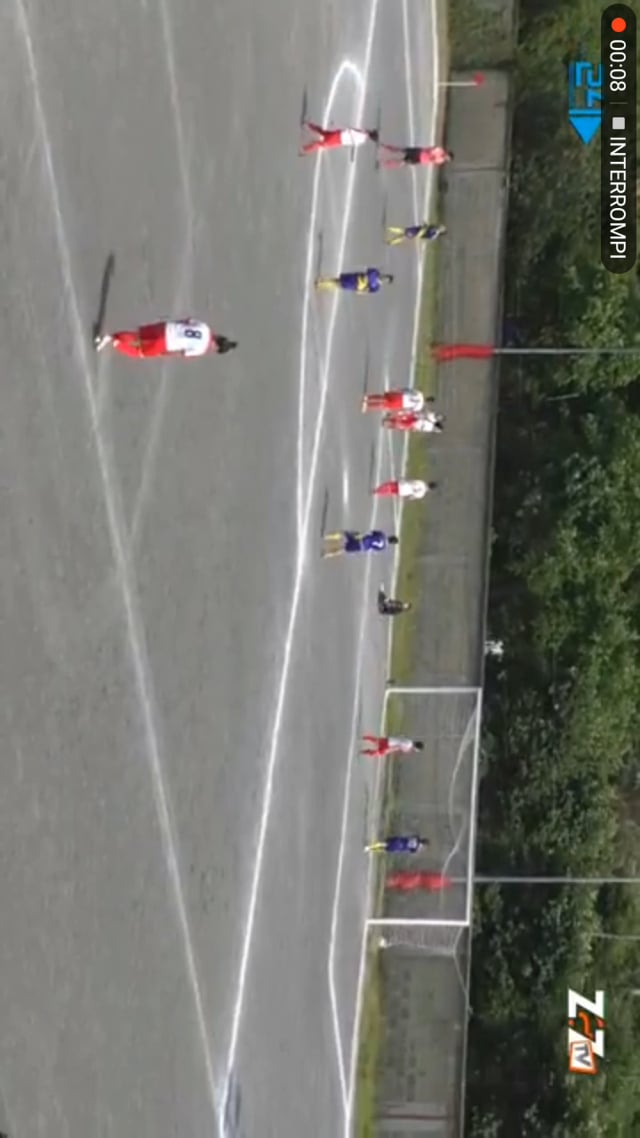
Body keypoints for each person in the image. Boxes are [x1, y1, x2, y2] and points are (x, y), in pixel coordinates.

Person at [95, 319, 237, 359]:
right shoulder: (201, 349)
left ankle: (112, 336)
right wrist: (164, 353)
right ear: (216, 347)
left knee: (137, 336)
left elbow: (186, 321)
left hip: (167, 327)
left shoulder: (205, 327)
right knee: (140, 352)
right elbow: (181, 352)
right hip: (167, 343)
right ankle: (115, 342)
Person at [300, 121, 379, 155]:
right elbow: (352, 139)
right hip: (339, 139)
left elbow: (352, 131)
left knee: (323, 133)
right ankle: (304, 149)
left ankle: (308, 125)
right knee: (322, 144)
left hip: (339, 134)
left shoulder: (363, 133)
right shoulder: (362, 139)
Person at [322, 530, 399, 558]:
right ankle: (327, 554)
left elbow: (370, 532)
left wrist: (359, 534)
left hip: (362, 539)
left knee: (343, 533)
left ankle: (327, 537)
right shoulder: (383, 547)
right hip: (362, 547)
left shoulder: (382, 534)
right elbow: (372, 550)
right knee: (343, 549)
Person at [315, 268, 394, 294]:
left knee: (339, 284)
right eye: (386, 277)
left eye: (386, 280)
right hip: (355, 277)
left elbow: (367, 291)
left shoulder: (376, 287)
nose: (384, 279)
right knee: (338, 280)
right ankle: (323, 282)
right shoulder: (376, 273)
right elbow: (368, 270)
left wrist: (360, 292)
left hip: (356, 285)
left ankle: (321, 284)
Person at [378, 143, 453, 169]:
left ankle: (384, 163)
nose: (446, 158)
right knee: (401, 150)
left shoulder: (441, 160)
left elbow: (433, 160)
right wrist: (434, 155)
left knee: (402, 162)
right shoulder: (440, 150)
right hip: (419, 152)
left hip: (420, 160)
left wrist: (436, 157)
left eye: (447, 159)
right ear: (447, 153)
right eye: (447, 156)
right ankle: (385, 147)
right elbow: (431, 151)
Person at [362, 388, 430, 413]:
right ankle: (367, 405)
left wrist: (398, 390)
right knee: (384, 405)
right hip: (402, 404)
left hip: (401, 396)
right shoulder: (419, 407)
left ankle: (368, 397)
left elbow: (408, 390)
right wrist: (400, 411)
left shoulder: (419, 393)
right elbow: (409, 410)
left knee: (383, 397)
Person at [360, 735, 424, 758]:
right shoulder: (408, 745)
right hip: (389, 745)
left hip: (390, 740)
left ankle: (364, 738)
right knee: (377, 753)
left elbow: (401, 737)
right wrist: (389, 750)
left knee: (376, 740)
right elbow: (397, 747)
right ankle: (365, 751)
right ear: (416, 747)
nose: (415, 751)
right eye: (416, 750)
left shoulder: (409, 741)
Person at [373, 479, 437, 500]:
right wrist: (405, 497)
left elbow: (411, 481)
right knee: (390, 492)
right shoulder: (421, 495)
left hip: (403, 485)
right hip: (403, 492)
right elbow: (411, 497)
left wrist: (403, 480)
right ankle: (378, 493)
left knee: (390, 484)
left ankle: (378, 490)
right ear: (430, 490)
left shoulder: (421, 482)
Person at [365, 835, 430, 854]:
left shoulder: (416, 837)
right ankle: (370, 850)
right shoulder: (416, 848)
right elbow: (410, 851)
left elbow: (409, 837)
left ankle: (369, 847)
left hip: (399, 841)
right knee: (383, 850)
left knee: (383, 844)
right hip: (400, 848)